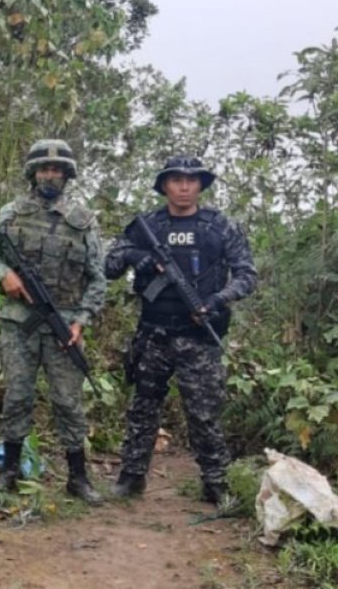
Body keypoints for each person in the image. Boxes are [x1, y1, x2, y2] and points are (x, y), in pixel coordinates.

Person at [105, 155, 257, 504]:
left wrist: (218, 299)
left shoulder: (220, 227)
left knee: (204, 414)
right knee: (143, 408)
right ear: (164, 186)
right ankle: (131, 478)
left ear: (201, 185)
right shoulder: (146, 226)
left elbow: (247, 274)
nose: (184, 187)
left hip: (200, 337)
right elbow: (109, 265)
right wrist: (136, 259)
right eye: (176, 180)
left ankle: (216, 482)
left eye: (192, 180)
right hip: (153, 334)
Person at [0, 139, 106, 505]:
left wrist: (82, 320)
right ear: (33, 172)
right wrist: (4, 274)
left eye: (58, 170)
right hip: (19, 323)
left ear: (67, 175)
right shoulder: (10, 214)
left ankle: (78, 477)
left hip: (64, 325)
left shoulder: (82, 221)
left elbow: (97, 278)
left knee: (68, 401)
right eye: (45, 169)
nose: (51, 175)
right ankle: (9, 470)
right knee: (17, 395)